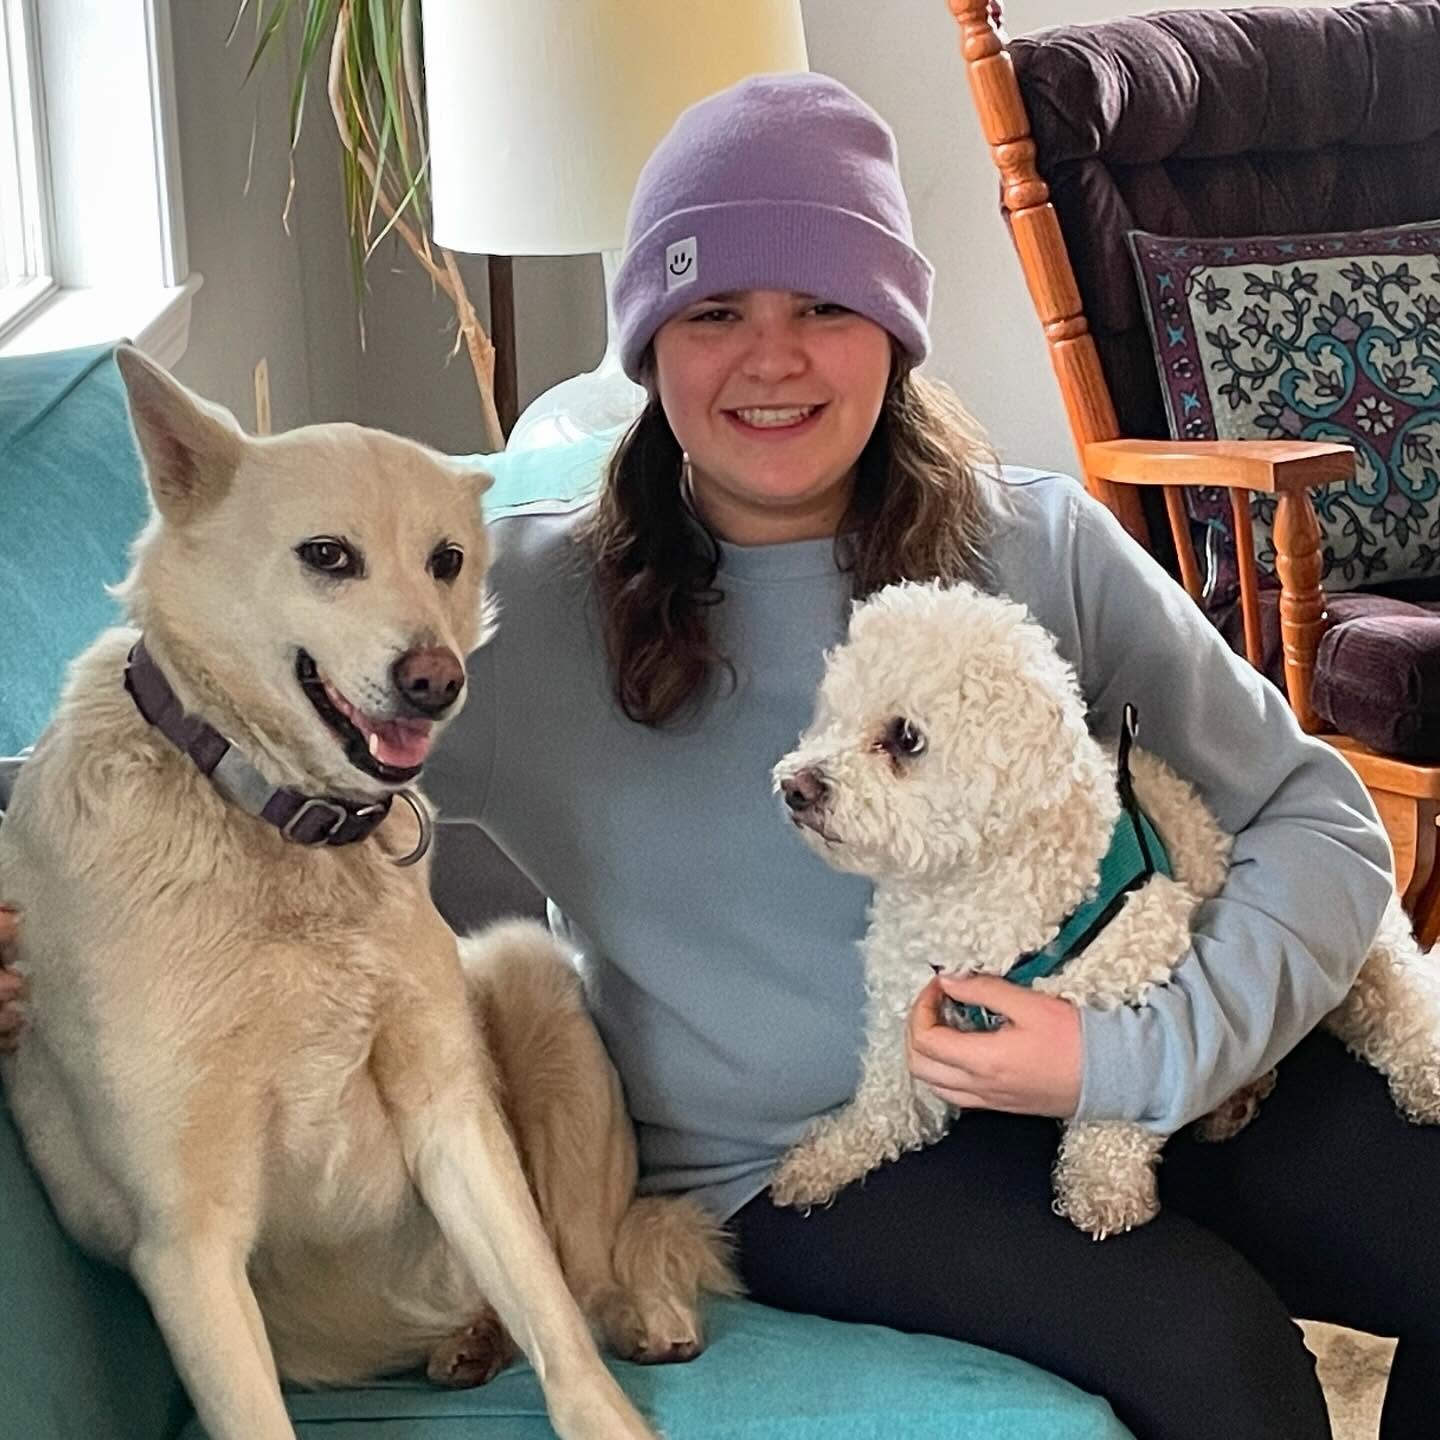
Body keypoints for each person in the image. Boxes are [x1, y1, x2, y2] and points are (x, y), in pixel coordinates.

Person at [3, 71, 1438, 1440]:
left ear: (893, 331)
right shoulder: (503, 616)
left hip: (1132, 1038)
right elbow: (184, 728)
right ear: (648, 346)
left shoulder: (1038, 545)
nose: (771, 357)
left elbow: (1317, 823)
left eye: (825, 304)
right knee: (1213, 1347)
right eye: (713, 312)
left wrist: (1145, 1052)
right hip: (818, 1162)